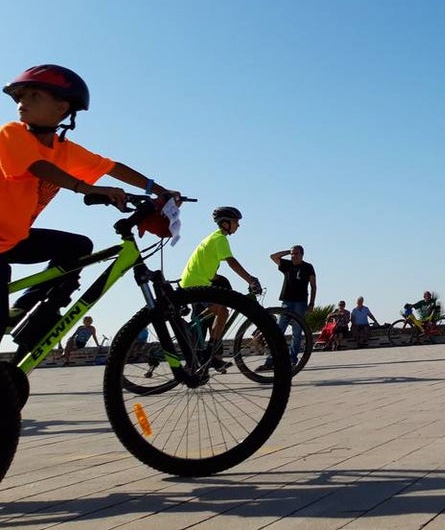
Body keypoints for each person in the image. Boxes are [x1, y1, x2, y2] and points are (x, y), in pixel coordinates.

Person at [0, 65, 180, 349]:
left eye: (33, 95)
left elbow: (112, 167)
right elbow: (38, 167)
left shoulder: (64, 150)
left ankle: (35, 312)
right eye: (19, 97)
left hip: (14, 240)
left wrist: (160, 191)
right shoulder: (12, 133)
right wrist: (89, 188)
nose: (21, 102)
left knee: (78, 247)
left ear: (62, 107)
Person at [179, 206, 262, 352]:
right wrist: (250, 279)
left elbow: (206, 266)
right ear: (225, 223)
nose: (238, 225)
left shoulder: (213, 238)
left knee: (216, 311)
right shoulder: (220, 239)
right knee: (222, 312)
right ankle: (213, 349)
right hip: (196, 283)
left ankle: (196, 330)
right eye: (235, 222)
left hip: (194, 282)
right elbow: (231, 262)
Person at [260, 245, 316, 370]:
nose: (293, 256)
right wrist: (287, 252)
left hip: (300, 302)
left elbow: (313, 286)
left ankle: (292, 359)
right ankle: (272, 360)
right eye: (292, 253)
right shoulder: (287, 264)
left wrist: (311, 303)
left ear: (302, 254)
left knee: (297, 332)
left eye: (296, 253)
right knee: (278, 331)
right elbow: (273, 257)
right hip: (286, 301)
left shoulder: (308, 267)